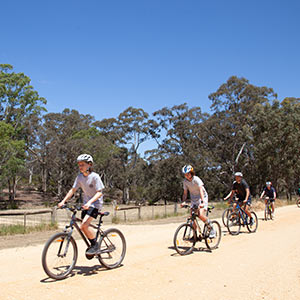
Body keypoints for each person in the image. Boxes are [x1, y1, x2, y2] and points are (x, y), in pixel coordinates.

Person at [58, 154, 104, 255]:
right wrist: (63, 201)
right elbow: (73, 190)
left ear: (89, 165)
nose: (80, 167)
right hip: (86, 204)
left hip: (95, 204)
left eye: (82, 164)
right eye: (79, 165)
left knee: (84, 225)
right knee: (84, 226)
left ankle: (95, 245)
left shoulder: (95, 177)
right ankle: (93, 244)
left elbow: (99, 192)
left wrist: (89, 202)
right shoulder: (79, 177)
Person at [181, 165, 215, 238]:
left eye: (188, 174)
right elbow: (185, 193)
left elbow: (201, 190)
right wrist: (184, 201)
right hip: (194, 199)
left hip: (202, 197)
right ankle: (195, 235)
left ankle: (211, 228)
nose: (186, 176)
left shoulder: (196, 179)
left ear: (191, 173)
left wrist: (202, 202)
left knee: (200, 214)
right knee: (192, 217)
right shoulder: (185, 182)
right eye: (185, 174)